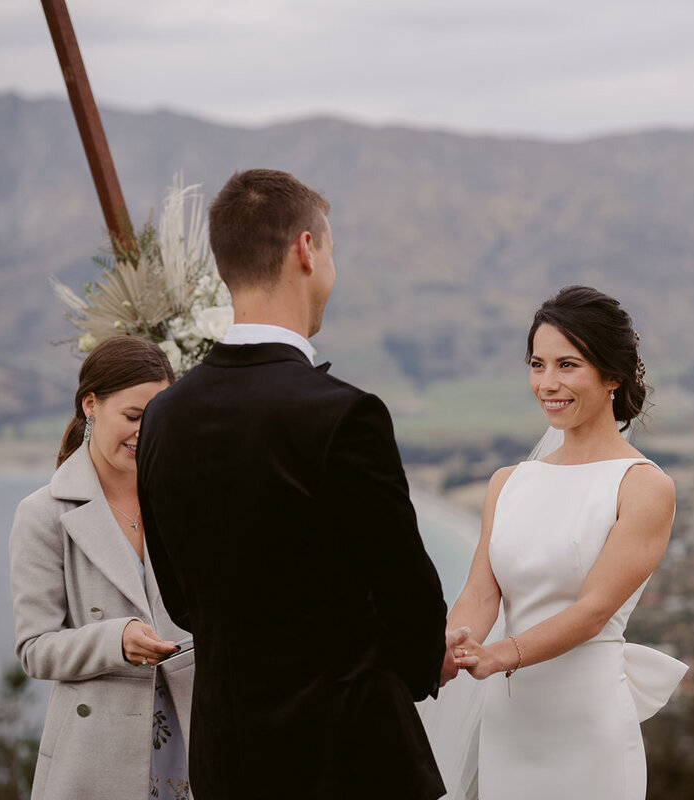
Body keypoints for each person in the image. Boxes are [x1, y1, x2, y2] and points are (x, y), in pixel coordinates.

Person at [136, 168, 463, 800]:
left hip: (226, 761)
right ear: (306, 250)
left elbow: (179, 598)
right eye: (331, 251)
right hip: (345, 759)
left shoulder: (163, 416)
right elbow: (405, 587)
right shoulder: (343, 414)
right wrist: (427, 661)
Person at [443, 285, 688, 799]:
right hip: (510, 724)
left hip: (587, 727)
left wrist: (497, 657)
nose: (547, 383)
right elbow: (482, 595)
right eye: (538, 364)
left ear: (612, 376)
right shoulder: (506, 483)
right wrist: (450, 647)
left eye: (568, 365)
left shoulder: (643, 486)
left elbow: (592, 611)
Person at [9, 335, 192, 800]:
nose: (144, 433)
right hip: (95, 754)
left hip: (197, 736)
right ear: (91, 404)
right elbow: (35, 647)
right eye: (132, 417)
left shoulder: (186, 497)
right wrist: (116, 640)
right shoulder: (43, 513)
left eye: (157, 419)